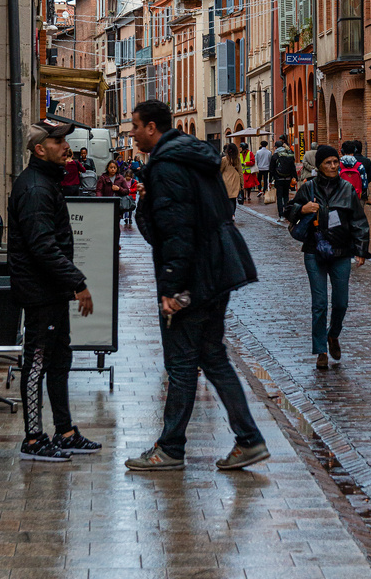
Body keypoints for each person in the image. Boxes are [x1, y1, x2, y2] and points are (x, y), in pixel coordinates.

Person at [125, 100, 268, 472]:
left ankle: (171, 447)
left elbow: (177, 230)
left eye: (136, 126)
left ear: (153, 127)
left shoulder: (167, 165)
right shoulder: (193, 158)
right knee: (212, 356)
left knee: (182, 363)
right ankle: (249, 439)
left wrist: (173, 288)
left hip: (195, 277)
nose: (132, 133)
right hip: (218, 269)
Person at [7, 119, 100, 462]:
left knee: (60, 360)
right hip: (40, 292)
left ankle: (65, 431)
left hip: (51, 290)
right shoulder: (34, 188)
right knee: (37, 363)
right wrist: (77, 282)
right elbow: (43, 246)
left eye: (65, 141)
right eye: (59, 142)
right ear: (39, 149)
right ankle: (33, 439)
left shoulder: (47, 181)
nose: (66, 146)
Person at [286, 145, 370, 371]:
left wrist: (361, 250)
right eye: (328, 163)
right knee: (320, 303)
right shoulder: (308, 187)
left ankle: (333, 334)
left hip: (341, 252)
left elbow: (359, 221)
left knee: (341, 302)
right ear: (320, 166)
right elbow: (289, 209)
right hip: (314, 251)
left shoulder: (347, 189)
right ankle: (321, 350)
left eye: (336, 162)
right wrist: (303, 209)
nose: (333, 166)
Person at [269, 138, 297, 220]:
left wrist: (271, 180)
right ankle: (287, 213)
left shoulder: (275, 155)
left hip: (279, 178)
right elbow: (293, 167)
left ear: (276, 147)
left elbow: (272, 169)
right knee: (286, 196)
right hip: (288, 178)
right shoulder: (289, 154)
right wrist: (294, 177)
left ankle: (281, 215)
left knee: (279, 197)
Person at [221, 143, 244, 216]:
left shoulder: (224, 159)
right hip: (235, 180)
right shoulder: (237, 159)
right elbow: (240, 172)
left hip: (226, 179)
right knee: (233, 199)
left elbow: (220, 170)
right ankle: (232, 214)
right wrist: (242, 183)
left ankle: (228, 213)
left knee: (227, 198)